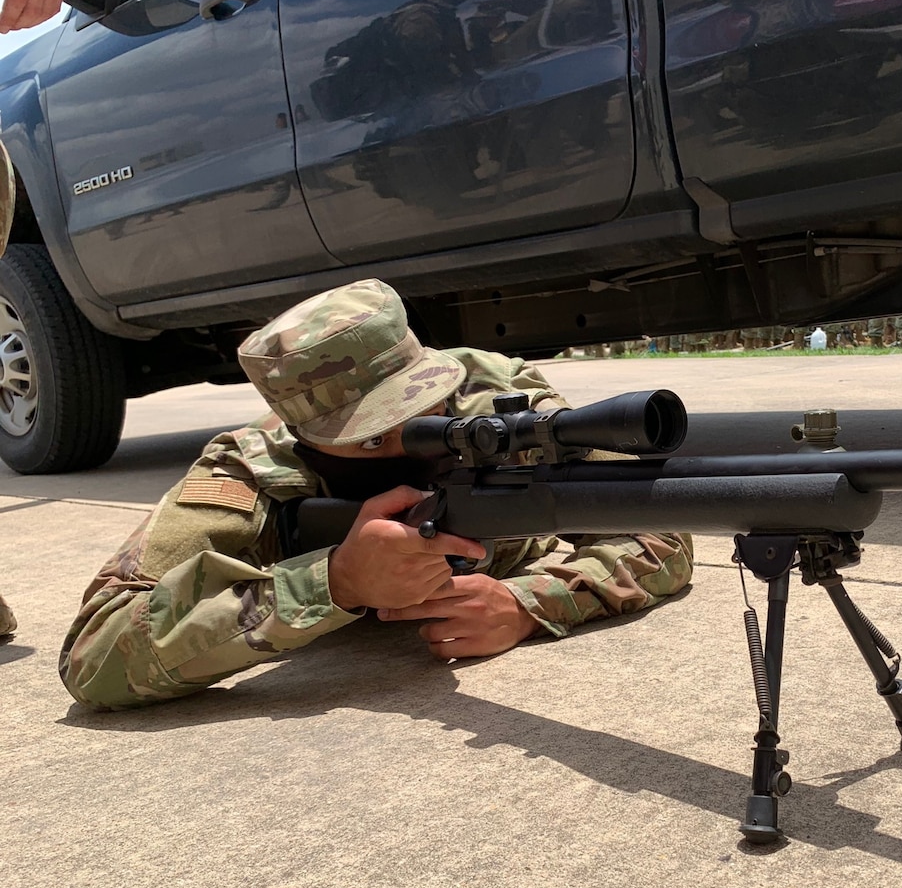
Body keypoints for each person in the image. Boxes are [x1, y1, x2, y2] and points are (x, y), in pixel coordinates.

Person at [58, 279, 695, 710]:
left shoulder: (501, 404)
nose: (409, 447)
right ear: (302, 436)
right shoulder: (251, 469)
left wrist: (529, 602)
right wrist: (333, 583)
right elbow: (93, 656)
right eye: (367, 441)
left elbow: (661, 529)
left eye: (424, 412)